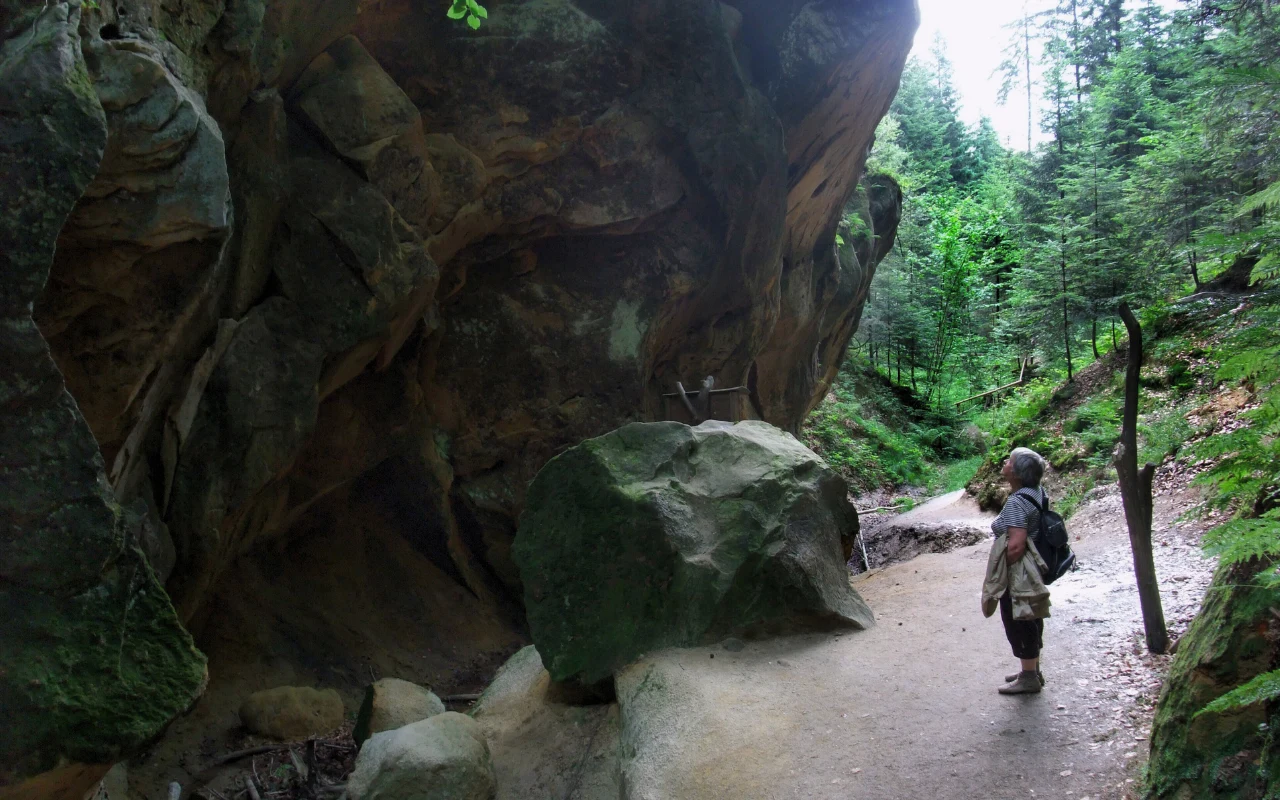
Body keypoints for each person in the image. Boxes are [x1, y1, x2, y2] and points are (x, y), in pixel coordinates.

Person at [991, 447, 1049, 695]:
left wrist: (1002, 569)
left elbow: (1015, 544)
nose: (1005, 462)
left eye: (1009, 461)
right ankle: (1032, 670)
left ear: (1016, 472)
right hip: (1034, 566)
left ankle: (1028, 678)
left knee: (1019, 617)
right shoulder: (1036, 492)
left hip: (1020, 570)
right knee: (1032, 614)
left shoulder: (1017, 502)